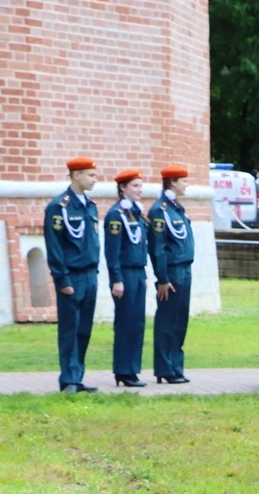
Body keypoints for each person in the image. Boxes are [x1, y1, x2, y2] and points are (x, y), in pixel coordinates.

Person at [44, 157, 101, 394]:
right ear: (76, 175)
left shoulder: (90, 205)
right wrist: (62, 278)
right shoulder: (60, 207)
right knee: (70, 328)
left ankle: (77, 377)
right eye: (90, 175)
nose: (94, 180)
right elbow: (54, 246)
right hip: (72, 276)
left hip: (90, 274)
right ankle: (68, 379)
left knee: (84, 329)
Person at [148, 165, 196, 385]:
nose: (186, 184)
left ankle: (175, 366)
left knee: (180, 320)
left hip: (185, 268)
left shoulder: (176, 208)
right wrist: (163, 278)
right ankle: (164, 367)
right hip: (172, 271)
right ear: (172, 182)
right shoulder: (160, 210)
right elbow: (158, 248)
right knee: (168, 320)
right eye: (183, 181)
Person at [104, 169, 149, 388]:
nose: (139, 190)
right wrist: (116, 279)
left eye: (140, 186)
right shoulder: (116, 215)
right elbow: (112, 251)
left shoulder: (135, 212)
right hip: (125, 273)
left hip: (138, 271)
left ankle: (132, 369)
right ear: (122, 188)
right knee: (126, 323)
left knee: (137, 323)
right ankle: (123, 370)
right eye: (134, 186)